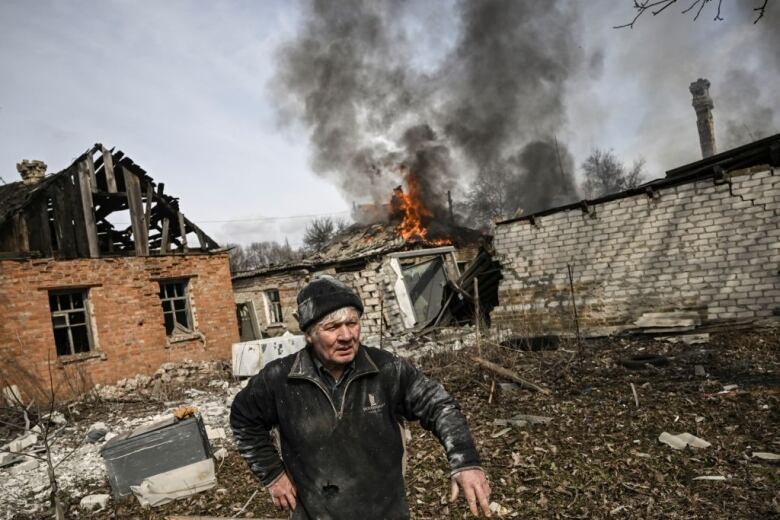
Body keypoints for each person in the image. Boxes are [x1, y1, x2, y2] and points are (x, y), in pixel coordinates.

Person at [230, 276, 491, 519]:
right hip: (316, 513)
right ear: (309, 334)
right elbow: (243, 418)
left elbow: (439, 405)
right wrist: (273, 474)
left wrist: (465, 462)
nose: (346, 336)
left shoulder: (387, 369)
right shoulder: (280, 378)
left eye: (352, 323)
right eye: (332, 327)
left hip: (384, 511)